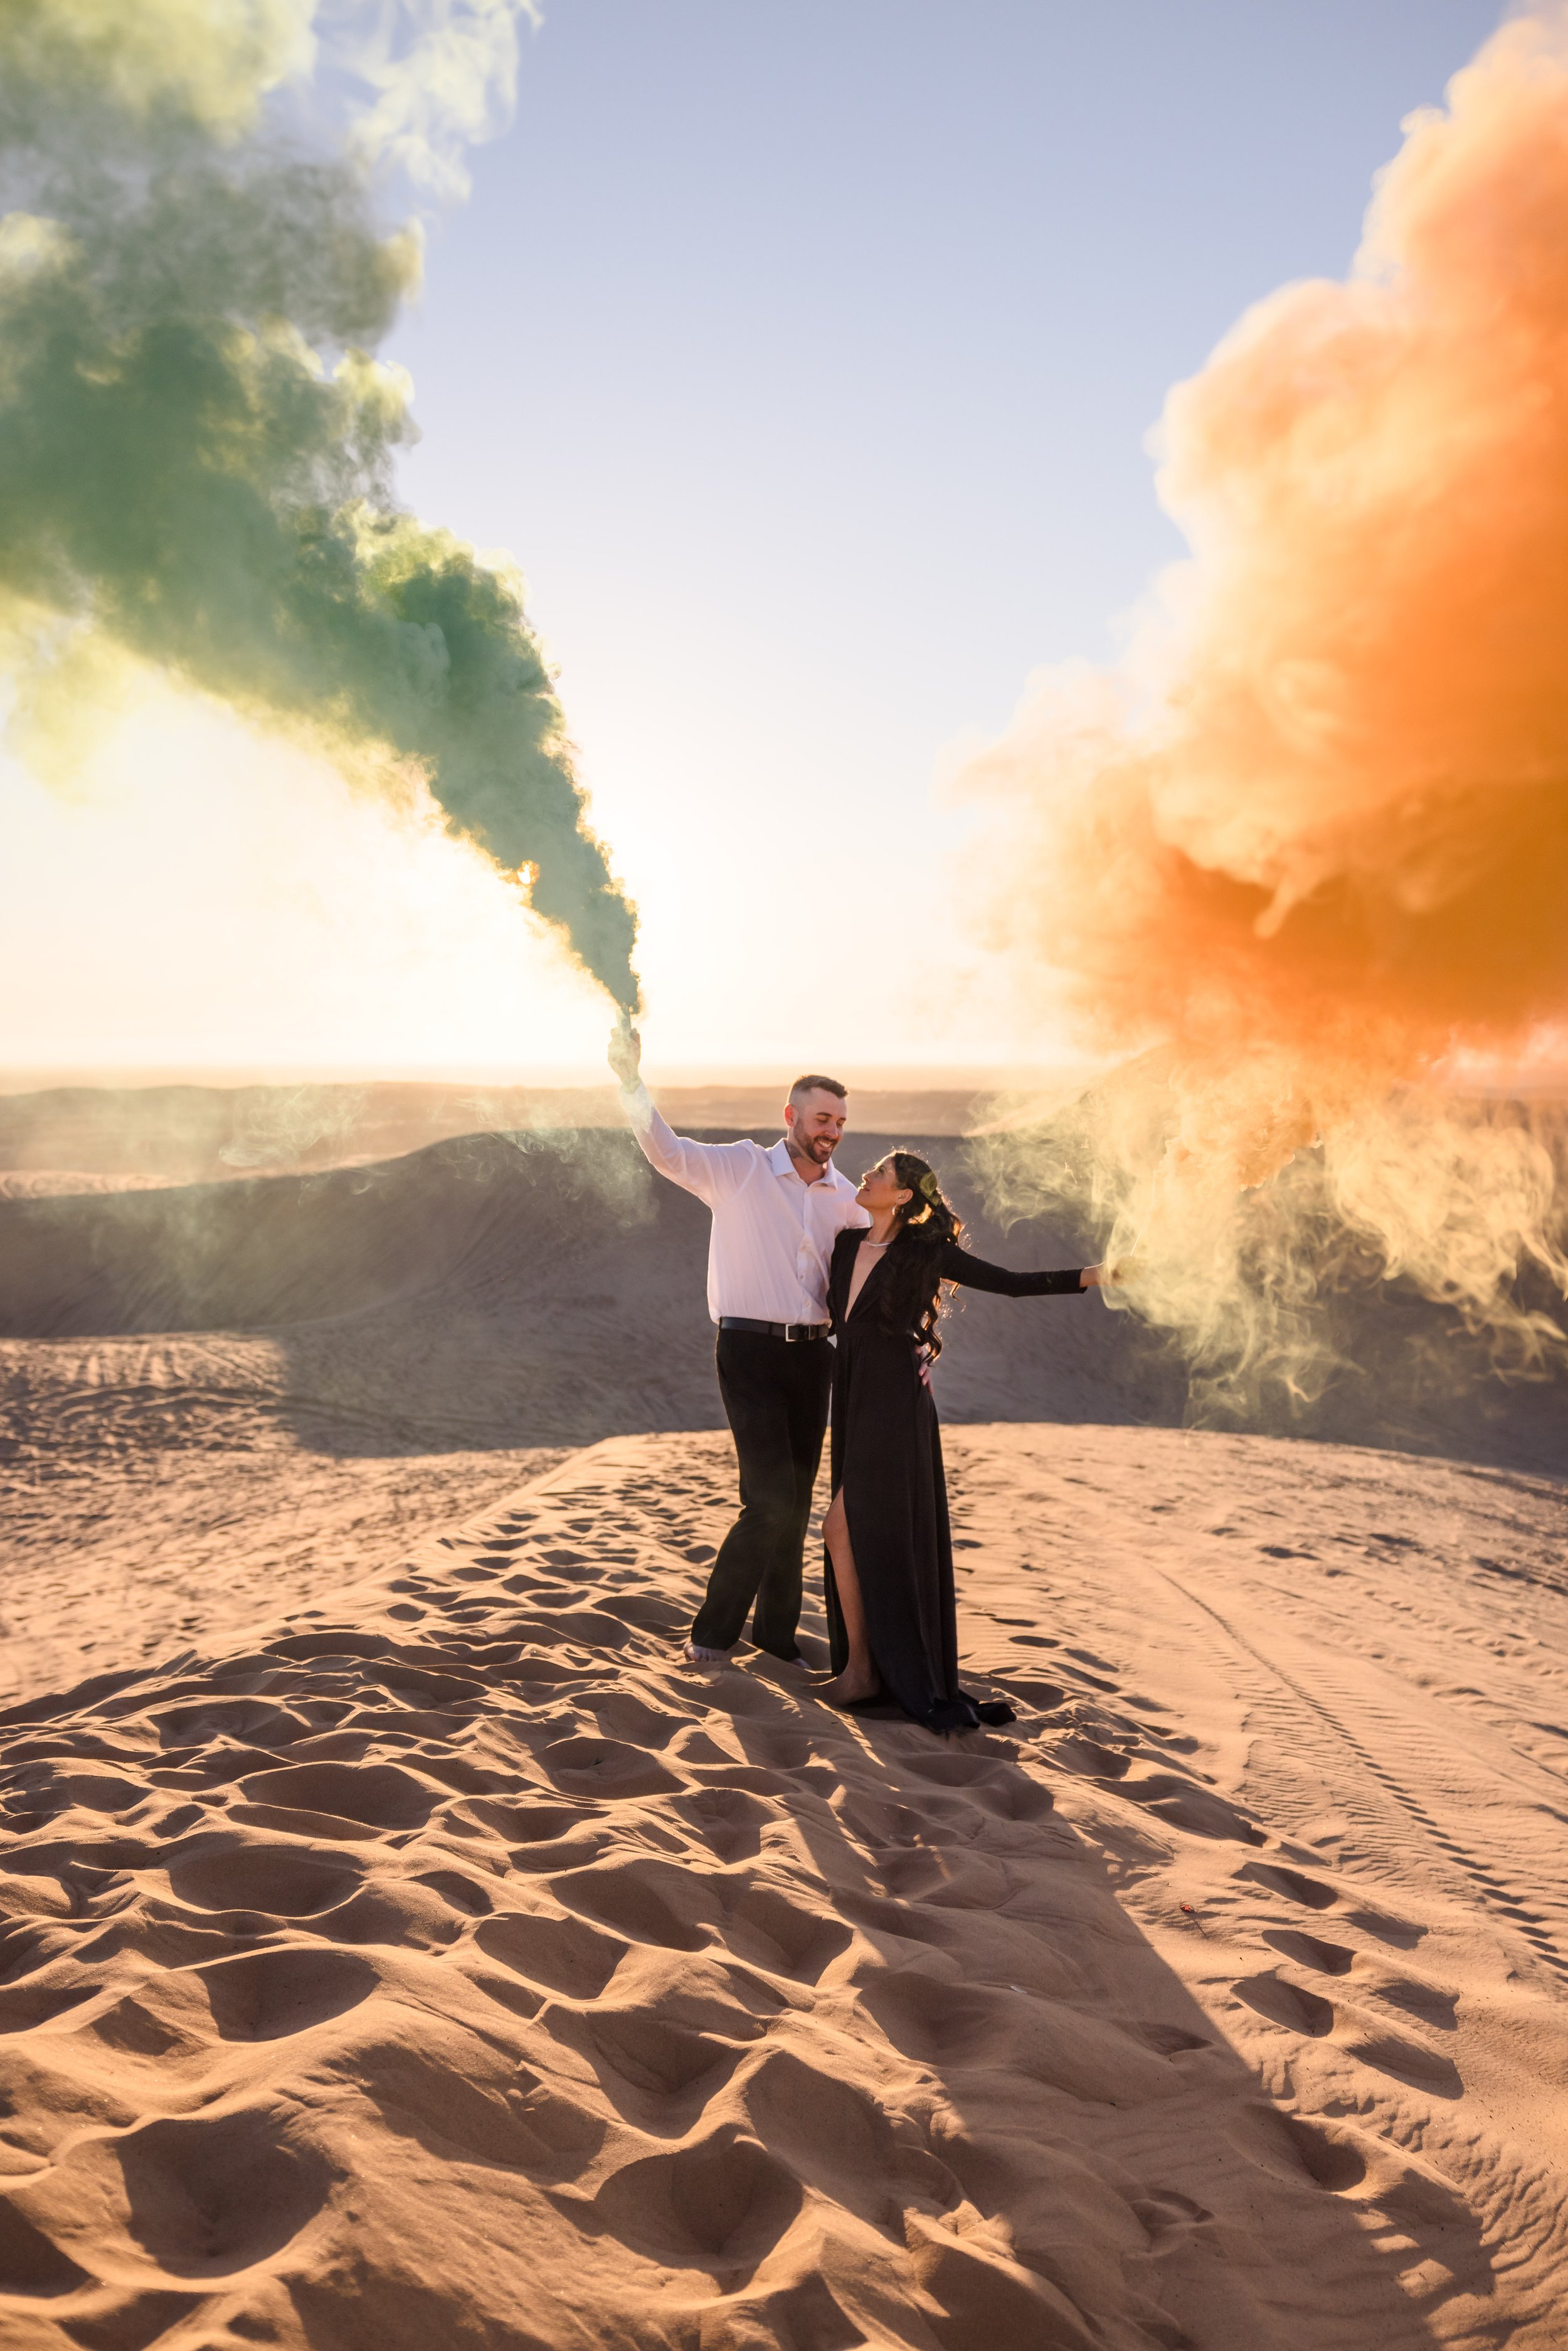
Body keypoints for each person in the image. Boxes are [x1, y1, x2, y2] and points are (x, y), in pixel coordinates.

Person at [820, 1150, 1115, 1734]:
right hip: (853, 1392)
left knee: (840, 1526)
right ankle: (862, 1668)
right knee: (850, 1528)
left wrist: (1095, 1276)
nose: (867, 1177)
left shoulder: (925, 1252)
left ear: (903, 1196)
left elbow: (1008, 1284)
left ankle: (862, 1672)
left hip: (894, 1401)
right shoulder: (847, 1245)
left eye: (880, 1174)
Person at [608, 1022, 868, 1668]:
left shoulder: (847, 1199)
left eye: (837, 1119)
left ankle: (776, 1639)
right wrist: (629, 1082)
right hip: (748, 1353)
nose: (829, 1130)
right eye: (818, 1117)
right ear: (791, 1116)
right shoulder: (741, 1168)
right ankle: (711, 1636)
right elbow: (665, 1151)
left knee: (798, 1499)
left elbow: (877, 1275)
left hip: (815, 1358)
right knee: (770, 1497)